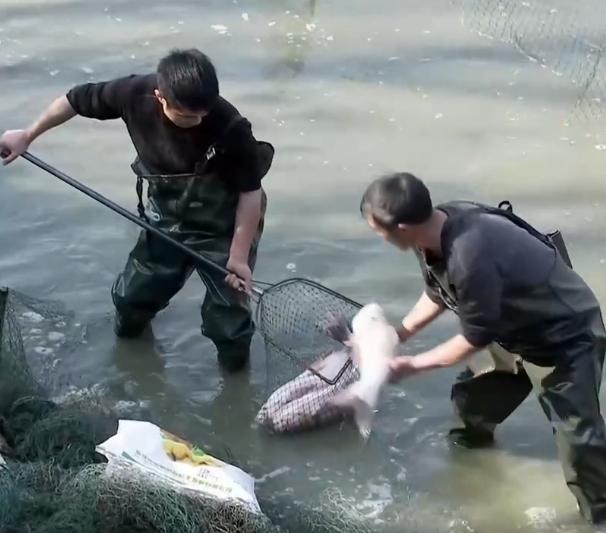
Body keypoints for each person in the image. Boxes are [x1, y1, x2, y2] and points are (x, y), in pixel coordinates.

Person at [0, 48, 274, 372]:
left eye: (203, 113)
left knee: (227, 323)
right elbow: (74, 100)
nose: (198, 121)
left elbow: (250, 194)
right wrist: (28, 135)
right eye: (187, 115)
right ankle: (131, 366)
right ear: (160, 97)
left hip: (226, 222)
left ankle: (234, 385)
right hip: (169, 214)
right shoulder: (131, 94)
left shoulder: (230, 124)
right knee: (132, 301)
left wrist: (239, 257)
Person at [359, 172, 606, 524]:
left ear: (401, 228)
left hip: (565, 335)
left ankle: (599, 517)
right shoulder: (431, 232)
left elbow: (471, 339)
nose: (377, 236)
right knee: (470, 407)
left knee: (581, 443)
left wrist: (410, 366)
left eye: (377, 229)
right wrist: (399, 334)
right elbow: (439, 291)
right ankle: (474, 478)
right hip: (511, 329)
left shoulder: (470, 254)